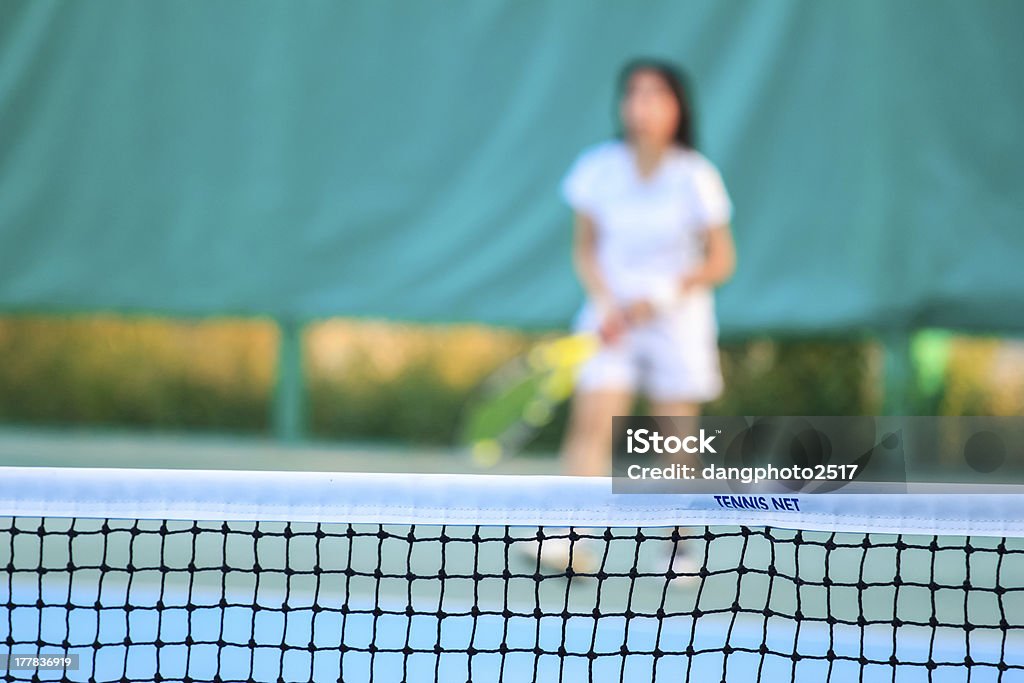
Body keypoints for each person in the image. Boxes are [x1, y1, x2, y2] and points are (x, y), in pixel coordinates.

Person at [532, 59, 736, 579]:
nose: (641, 106)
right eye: (633, 94)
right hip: (610, 319)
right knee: (593, 421)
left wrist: (659, 297)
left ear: (677, 108)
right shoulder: (597, 168)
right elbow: (585, 250)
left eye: (655, 95)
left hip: (677, 320)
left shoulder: (695, 175)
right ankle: (570, 540)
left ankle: (677, 544)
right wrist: (607, 305)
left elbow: (720, 259)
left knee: (674, 438)